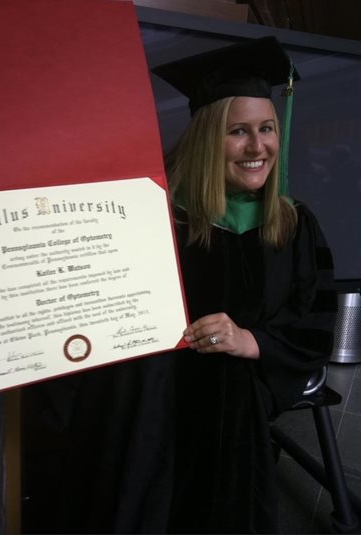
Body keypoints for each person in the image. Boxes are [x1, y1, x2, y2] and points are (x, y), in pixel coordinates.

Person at [27, 36, 337, 534]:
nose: (258, 147)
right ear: (208, 137)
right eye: (238, 131)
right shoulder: (152, 214)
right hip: (149, 411)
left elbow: (313, 320)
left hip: (233, 421)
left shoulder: (294, 225)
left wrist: (251, 341)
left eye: (267, 129)